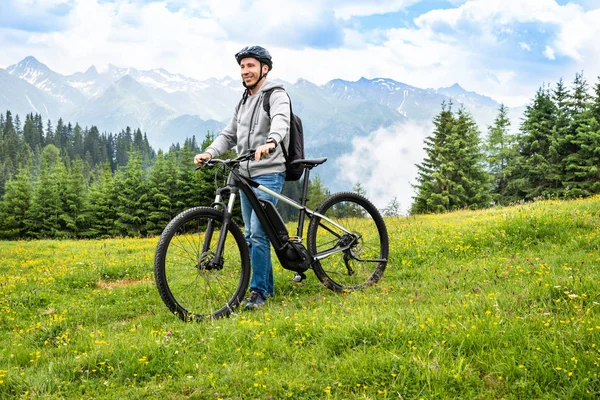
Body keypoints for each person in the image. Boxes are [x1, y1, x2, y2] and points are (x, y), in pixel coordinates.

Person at [194, 46, 290, 310]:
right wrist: (209, 152)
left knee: (259, 234)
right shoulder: (244, 99)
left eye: (250, 66)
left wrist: (271, 141)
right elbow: (229, 134)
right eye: (242, 67)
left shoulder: (276, 95)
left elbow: (282, 121)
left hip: (269, 172)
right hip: (246, 174)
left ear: (264, 69)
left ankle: (258, 293)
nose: (245, 71)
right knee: (251, 234)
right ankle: (266, 287)